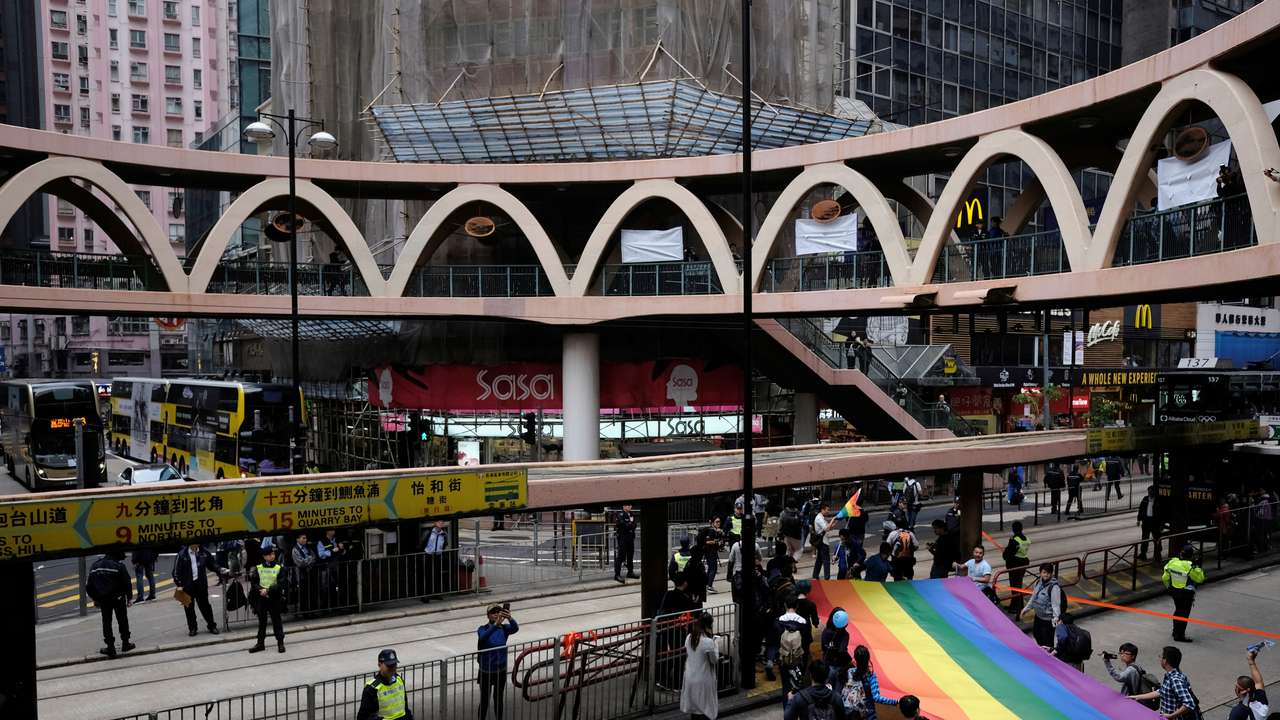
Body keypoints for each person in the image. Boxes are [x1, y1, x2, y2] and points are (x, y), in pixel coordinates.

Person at [86, 550, 134, 658]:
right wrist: (129, 598)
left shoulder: (95, 566)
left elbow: (89, 586)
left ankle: (110, 647)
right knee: (122, 620)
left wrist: (95, 598)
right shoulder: (119, 566)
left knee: (106, 622)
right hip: (118, 598)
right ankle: (125, 643)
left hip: (103, 599)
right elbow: (127, 582)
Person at [1130, 646, 1199, 719]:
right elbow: (1161, 691)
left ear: (1165, 661)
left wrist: (1171, 716)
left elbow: (1189, 703)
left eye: (1161, 657)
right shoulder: (1173, 674)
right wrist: (1137, 697)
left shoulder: (1175, 680)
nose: (1160, 659)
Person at [173, 543, 226, 637]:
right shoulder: (182, 554)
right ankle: (192, 628)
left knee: (205, 606)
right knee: (189, 608)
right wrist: (179, 584)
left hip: (201, 584)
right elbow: (176, 572)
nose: (196, 545)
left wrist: (220, 569)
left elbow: (212, 564)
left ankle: (212, 626)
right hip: (186, 586)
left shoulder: (204, 552)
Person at [477, 604, 518, 720]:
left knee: (498, 698)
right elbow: (483, 638)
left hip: (500, 670)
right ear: (488, 616)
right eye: (493, 612)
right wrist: (495, 625)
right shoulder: (482, 629)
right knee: (485, 700)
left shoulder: (504, 629)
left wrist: (510, 618)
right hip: (486, 671)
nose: (496, 614)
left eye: (498, 612)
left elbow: (515, 628)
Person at [679, 613, 720, 720]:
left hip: (690, 678)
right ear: (708, 626)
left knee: (695, 711)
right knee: (705, 710)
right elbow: (714, 660)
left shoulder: (689, 638)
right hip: (703, 680)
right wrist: (715, 644)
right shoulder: (708, 642)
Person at [248, 545, 287, 654]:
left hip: (274, 597)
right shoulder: (259, 567)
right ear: (264, 556)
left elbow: (281, 583)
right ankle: (260, 643)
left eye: (273, 554)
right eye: (270, 554)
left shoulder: (279, 567)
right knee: (262, 622)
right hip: (262, 598)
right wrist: (261, 590)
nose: (272, 556)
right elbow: (254, 582)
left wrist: (268, 590)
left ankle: (280, 643)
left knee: (277, 621)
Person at [1162, 545, 1205, 643]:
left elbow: (1165, 578)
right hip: (1186, 593)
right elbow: (1200, 579)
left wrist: (1168, 587)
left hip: (1174, 592)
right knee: (1184, 614)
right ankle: (1179, 635)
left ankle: (1175, 631)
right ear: (1191, 555)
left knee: (1178, 611)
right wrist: (1197, 567)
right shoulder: (1190, 566)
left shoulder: (1172, 562)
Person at [842, 644, 898, 720]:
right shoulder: (871, 676)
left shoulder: (850, 672)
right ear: (868, 658)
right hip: (868, 713)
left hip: (851, 712)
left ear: (855, 658)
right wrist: (895, 701)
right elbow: (876, 698)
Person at [357, 648, 413, 720]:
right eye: (389, 666)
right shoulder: (372, 688)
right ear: (379, 665)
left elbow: (405, 708)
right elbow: (363, 717)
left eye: (394, 665)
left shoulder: (399, 680)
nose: (392, 668)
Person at [1021, 563, 1064, 650]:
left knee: (1047, 642)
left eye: (1049, 572)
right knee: (1037, 634)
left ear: (1052, 573)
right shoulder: (1038, 583)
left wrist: (1056, 621)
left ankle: (1049, 658)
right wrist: (1026, 609)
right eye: (1044, 572)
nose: (1046, 574)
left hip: (1048, 621)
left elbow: (1056, 606)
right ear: (1040, 573)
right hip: (1038, 617)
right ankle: (1043, 653)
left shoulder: (1054, 588)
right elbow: (1033, 598)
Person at [1103, 643, 1157, 708]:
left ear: (1133, 656)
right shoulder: (1137, 666)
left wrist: (1107, 662)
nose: (1122, 655)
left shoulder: (1131, 670)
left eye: (1125, 653)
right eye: (1121, 653)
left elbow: (1118, 677)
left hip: (1130, 700)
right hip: (1136, 698)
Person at [1229, 648, 1269, 720]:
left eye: (1236, 686)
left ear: (1243, 691)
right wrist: (1251, 661)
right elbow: (1258, 682)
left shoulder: (1237, 711)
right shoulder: (1261, 702)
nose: (1235, 687)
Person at [1003, 521, 1032, 615]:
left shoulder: (1014, 540)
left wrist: (1006, 552)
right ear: (1021, 528)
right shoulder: (1027, 539)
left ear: (1013, 529)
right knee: (1018, 585)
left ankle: (1016, 608)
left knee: (1015, 586)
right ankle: (1017, 606)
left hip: (1015, 564)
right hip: (1024, 563)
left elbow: (1007, 555)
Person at [421, 519, 450, 600]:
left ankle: (436, 593)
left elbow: (445, 544)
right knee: (427, 575)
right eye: (439, 521)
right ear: (435, 523)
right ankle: (425, 595)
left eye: (442, 522)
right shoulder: (429, 532)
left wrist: (440, 551)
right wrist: (427, 550)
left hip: (437, 556)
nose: (441, 523)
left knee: (437, 575)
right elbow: (422, 543)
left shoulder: (444, 534)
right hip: (428, 555)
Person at [291, 532, 317, 612]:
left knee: (312, 592)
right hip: (301, 574)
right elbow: (300, 563)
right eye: (303, 538)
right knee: (304, 594)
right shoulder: (295, 549)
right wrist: (309, 559)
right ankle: (305, 612)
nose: (305, 540)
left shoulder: (307, 547)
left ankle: (312, 611)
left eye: (305, 538)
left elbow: (314, 557)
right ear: (297, 539)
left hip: (310, 572)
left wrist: (308, 560)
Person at [614, 504, 638, 584]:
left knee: (630, 556)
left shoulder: (631, 514)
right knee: (621, 556)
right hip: (623, 538)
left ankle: (630, 572)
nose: (629, 507)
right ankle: (617, 574)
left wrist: (630, 525)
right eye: (627, 505)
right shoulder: (620, 514)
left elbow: (635, 524)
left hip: (630, 538)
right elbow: (622, 525)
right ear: (623, 506)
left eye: (630, 505)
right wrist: (630, 525)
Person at [700, 516, 726, 592]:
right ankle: (709, 586)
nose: (718, 523)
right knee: (713, 569)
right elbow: (707, 541)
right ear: (712, 523)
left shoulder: (716, 530)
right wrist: (716, 542)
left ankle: (707, 584)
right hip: (710, 552)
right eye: (717, 522)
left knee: (711, 569)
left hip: (712, 552)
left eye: (719, 522)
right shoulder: (711, 531)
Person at [1138, 485, 1163, 561]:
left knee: (1157, 539)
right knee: (1145, 538)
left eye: (1151, 492)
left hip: (1155, 523)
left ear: (1154, 492)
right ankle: (1143, 554)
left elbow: (1161, 513)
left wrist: (1161, 524)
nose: (1150, 493)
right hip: (1146, 522)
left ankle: (1158, 555)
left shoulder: (1158, 500)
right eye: (1149, 492)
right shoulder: (1145, 499)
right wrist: (1139, 519)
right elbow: (1141, 509)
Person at [811, 502, 833, 580]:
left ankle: (815, 575)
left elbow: (829, 527)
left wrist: (835, 521)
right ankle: (827, 578)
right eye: (827, 510)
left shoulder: (821, 517)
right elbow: (826, 528)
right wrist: (833, 519)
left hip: (822, 542)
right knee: (826, 561)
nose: (828, 512)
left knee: (819, 560)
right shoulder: (819, 518)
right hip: (823, 542)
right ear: (822, 509)